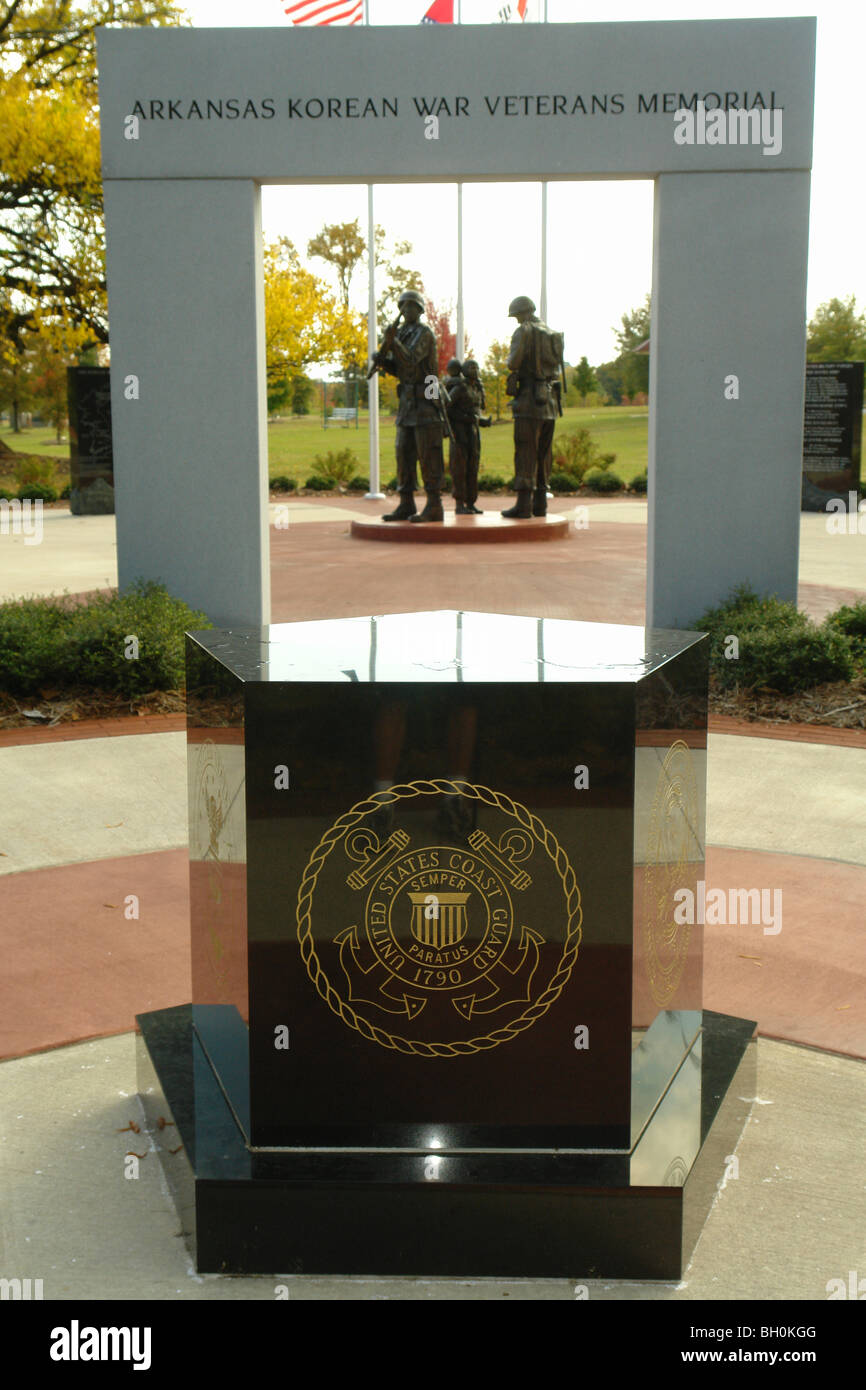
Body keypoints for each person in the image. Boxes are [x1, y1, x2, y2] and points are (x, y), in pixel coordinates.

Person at [371, 289, 444, 523]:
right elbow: (400, 368)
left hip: (426, 400)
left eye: (410, 306)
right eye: (402, 306)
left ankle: (434, 505)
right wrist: (383, 361)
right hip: (407, 403)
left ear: (419, 310)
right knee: (403, 452)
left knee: (428, 453)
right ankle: (406, 502)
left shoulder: (425, 334)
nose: (405, 310)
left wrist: (393, 342)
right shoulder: (401, 333)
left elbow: (412, 360)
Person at [501, 295, 563, 519]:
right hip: (550, 401)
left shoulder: (524, 332)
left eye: (517, 316)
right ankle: (540, 504)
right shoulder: (552, 333)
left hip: (529, 400)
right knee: (544, 454)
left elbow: (513, 362)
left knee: (525, 451)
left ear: (522, 313)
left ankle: (523, 505)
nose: (517, 320)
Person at [441, 357, 486, 515]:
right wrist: (465, 418)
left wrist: (481, 420)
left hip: (473, 432)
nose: (476, 370)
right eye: (472, 367)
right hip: (459, 433)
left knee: (473, 466)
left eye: (477, 367)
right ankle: (459, 503)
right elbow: (446, 407)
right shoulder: (460, 388)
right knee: (459, 467)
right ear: (465, 371)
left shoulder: (477, 387)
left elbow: (476, 410)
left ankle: (471, 502)